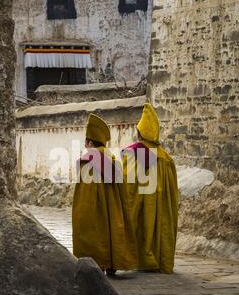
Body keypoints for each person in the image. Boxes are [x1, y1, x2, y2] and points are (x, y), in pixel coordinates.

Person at [72, 113, 138, 275]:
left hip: (94, 207)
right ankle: (112, 264)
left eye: (86, 142)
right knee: (112, 228)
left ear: (90, 142)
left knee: (93, 230)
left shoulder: (87, 159)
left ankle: (96, 264)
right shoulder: (112, 158)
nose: (86, 145)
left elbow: (84, 193)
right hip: (113, 206)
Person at [122, 103, 179, 274]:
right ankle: (160, 260)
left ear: (140, 132)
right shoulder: (165, 157)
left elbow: (127, 180)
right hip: (162, 202)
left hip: (142, 198)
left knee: (142, 225)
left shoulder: (135, 152)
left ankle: (141, 260)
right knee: (160, 226)